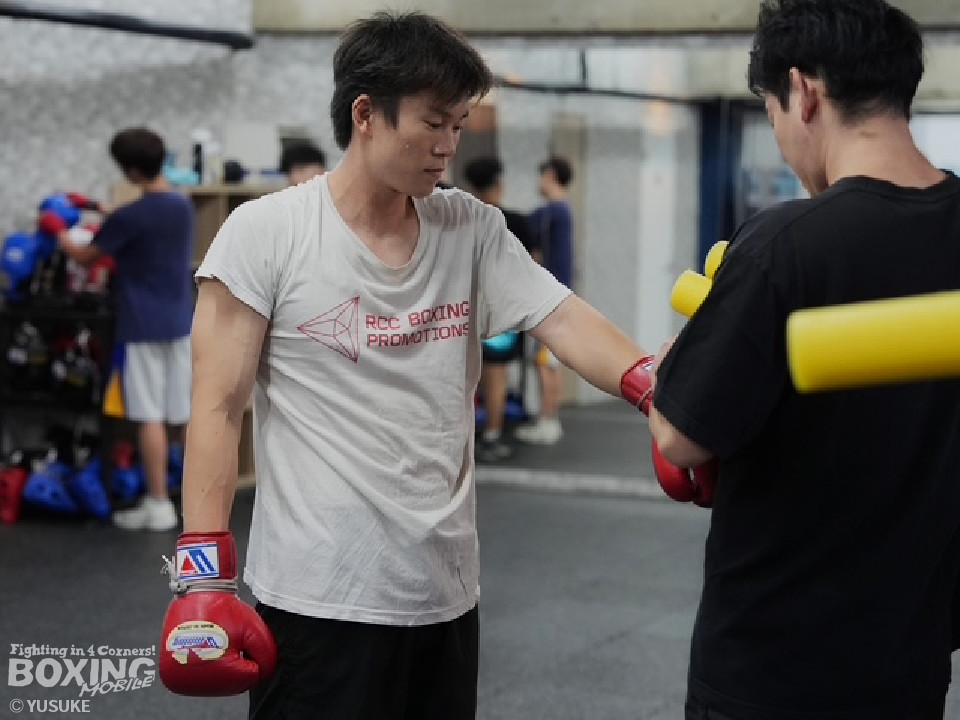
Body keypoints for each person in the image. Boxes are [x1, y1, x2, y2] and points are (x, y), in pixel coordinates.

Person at [157, 11, 665, 719]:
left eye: (458, 125)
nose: (448, 146)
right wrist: (203, 579)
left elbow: (564, 318)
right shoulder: (266, 233)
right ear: (366, 114)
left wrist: (656, 390)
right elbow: (217, 405)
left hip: (443, 594)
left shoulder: (470, 228)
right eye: (433, 123)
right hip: (318, 599)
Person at [648, 1, 960, 718]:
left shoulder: (784, 244)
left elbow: (681, 438)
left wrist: (677, 364)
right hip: (911, 658)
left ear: (804, 91)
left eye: (773, 115)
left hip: (774, 666)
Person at [45, 127, 195, 532]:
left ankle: (158, 505)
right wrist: (98, 207)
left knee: (149, 416)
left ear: (130, 171)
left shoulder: (131, 216)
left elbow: (84, 256)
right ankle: (195, 503)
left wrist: (56, 229)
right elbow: (138, 223)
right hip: (180, 323)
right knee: (183, 416)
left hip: (142, 326)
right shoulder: (181, 205)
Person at [462, 156, 540, 463]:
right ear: (499, 182)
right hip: (500, 309)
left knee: (467, 375)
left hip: (463, 308)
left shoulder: (462, 220)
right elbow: (532, 266)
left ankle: (468, 438)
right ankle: (492, 436)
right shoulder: (514, 221)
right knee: (495, 375)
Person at [514, 155, 574, 445]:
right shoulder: (559, 212)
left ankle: (549, 421)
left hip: (551, 300)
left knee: (546, 363)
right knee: (546, 362)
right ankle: (547, 419)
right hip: (554, 296)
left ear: (550, 175)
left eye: (541, 176)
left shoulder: (553, 213)